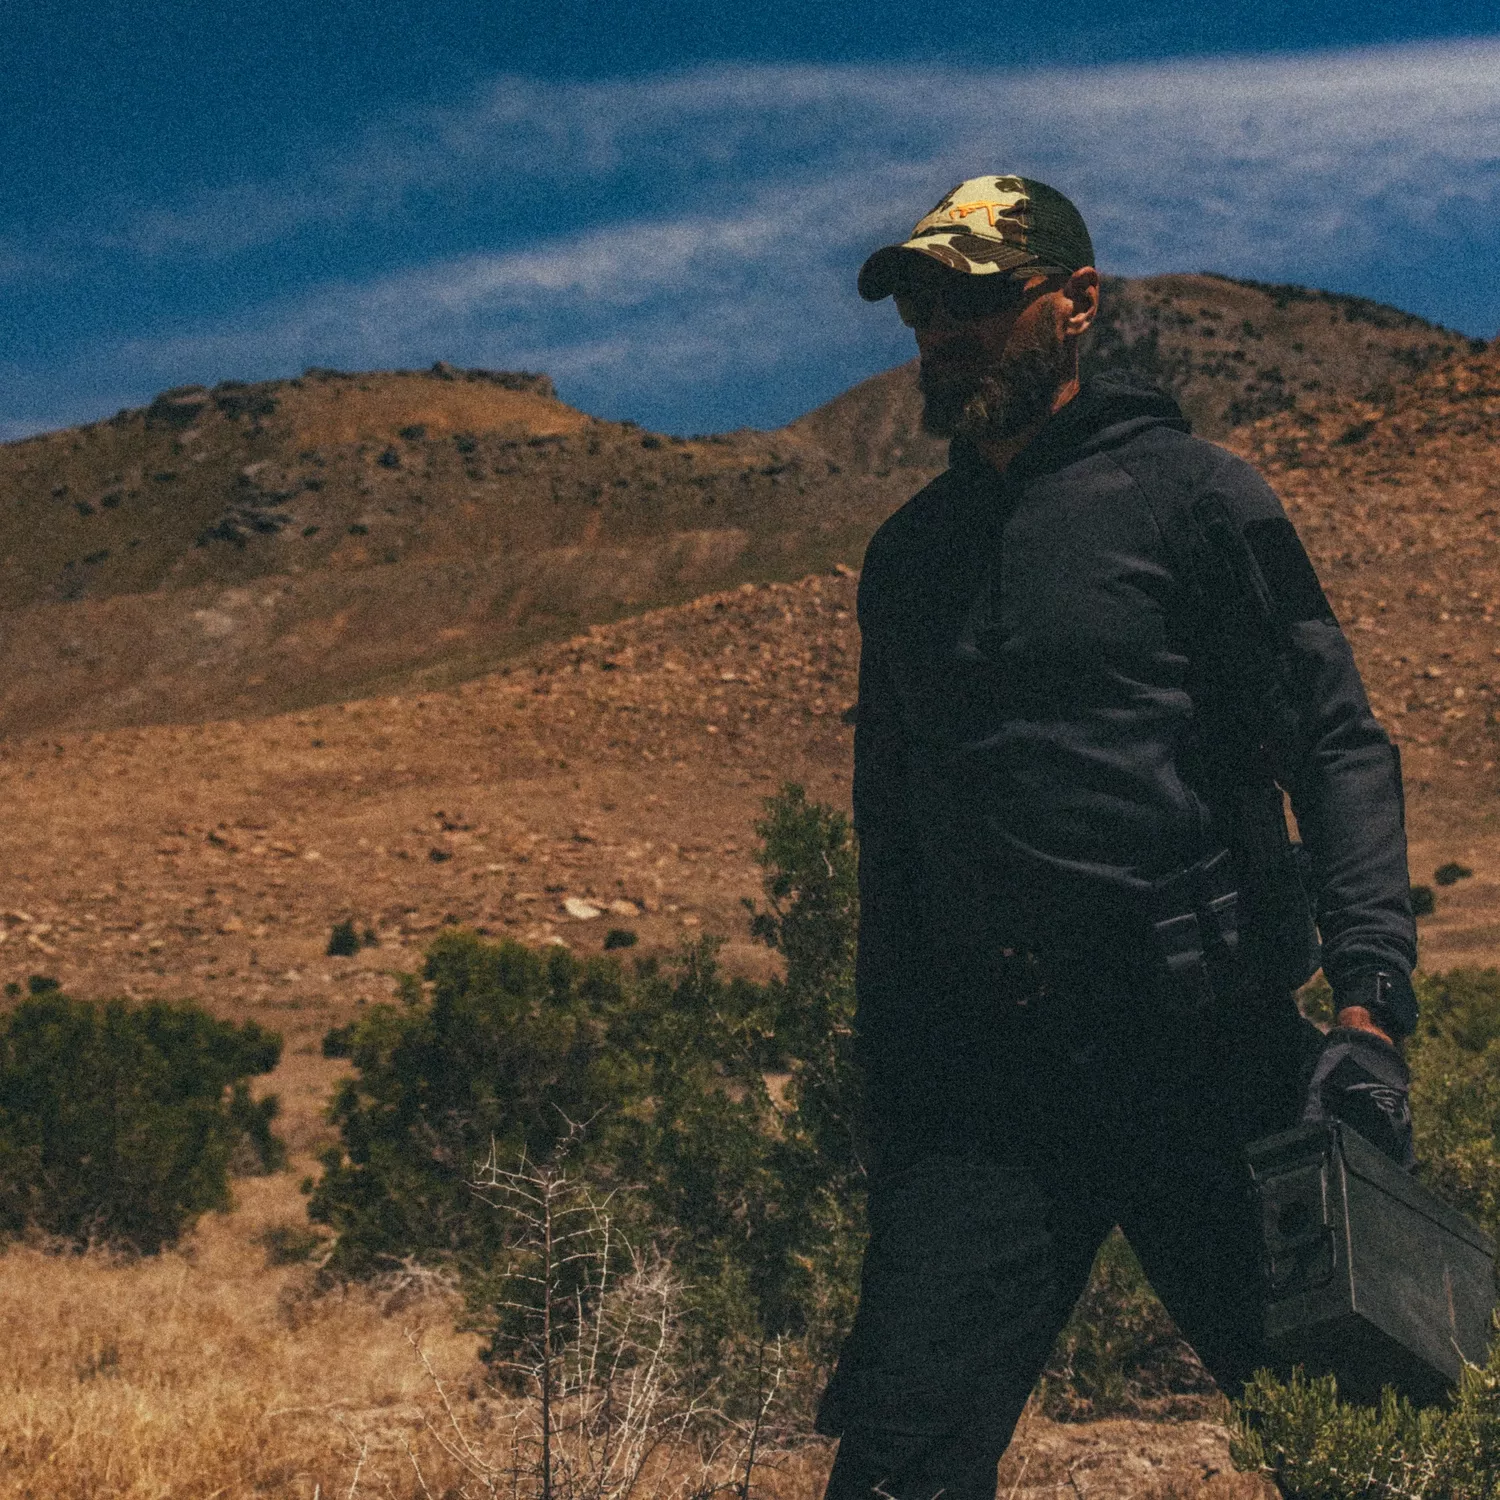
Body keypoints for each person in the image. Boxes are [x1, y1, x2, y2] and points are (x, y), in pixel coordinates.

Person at [815, 175, 1419, 1500]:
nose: (942, 333)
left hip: (1210, 1055)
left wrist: (1370, 1009)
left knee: (1376, 1449)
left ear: (1076, 302)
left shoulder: (1194, 499)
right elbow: (892, 842)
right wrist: (894, 1099)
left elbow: (1334, 743)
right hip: (990, 1085)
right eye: (921, 309)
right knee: (898, 1468)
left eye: (977, 300)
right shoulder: (907, 560)